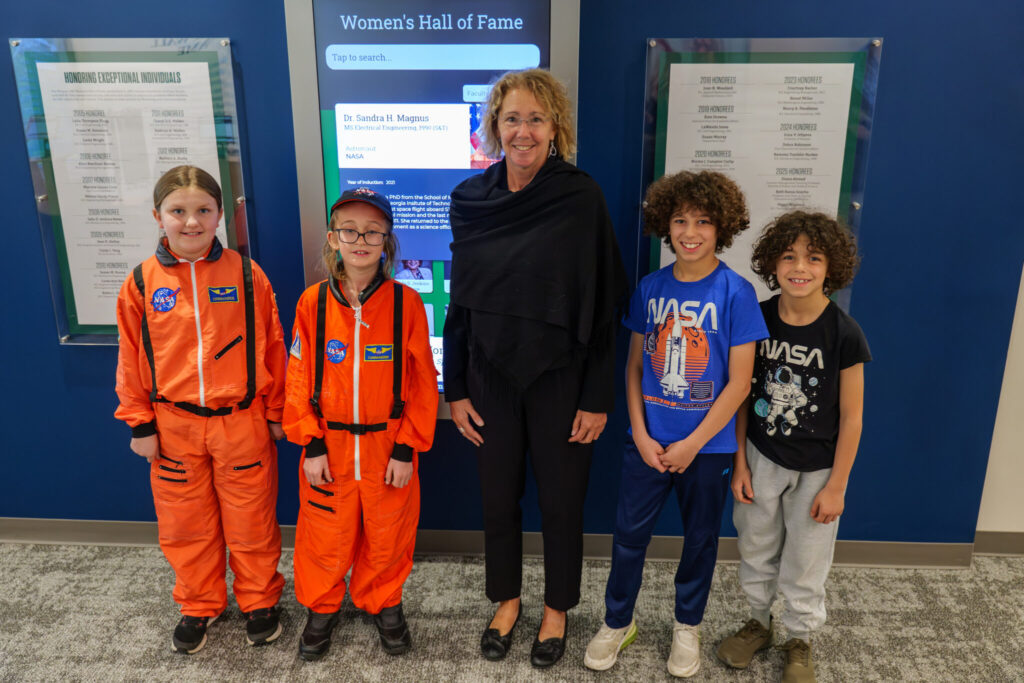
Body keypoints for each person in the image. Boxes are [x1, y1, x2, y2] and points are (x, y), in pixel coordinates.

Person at [444, 68, 627, 668]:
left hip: (562, 374)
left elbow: (604, 306)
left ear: (556, 128)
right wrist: (457, 388)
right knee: (497, 498)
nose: (523, 131)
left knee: (561, 500)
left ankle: (556, 609)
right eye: (512, 118)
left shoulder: (580, 197)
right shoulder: (470, 201)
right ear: (495, 126)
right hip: (490, 372)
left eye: (536, 119)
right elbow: (462, 301)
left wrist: (597, 396)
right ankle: (507, 599)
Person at [584, 170, 767, 677]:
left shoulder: (737, 292)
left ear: (722, 228)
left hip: (704, 451)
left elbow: (739, 385)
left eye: (703, 221)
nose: (690, 231)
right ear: (666, 225)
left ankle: (688, 624)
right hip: (646, 444)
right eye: (680, 220)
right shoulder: (650, 287)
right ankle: (618, 621)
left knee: (701, 540)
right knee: (627, 539)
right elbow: (636, 366)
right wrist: (641, 434)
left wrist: (691, 443)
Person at [114, 165, 287, 654]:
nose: (191, 222)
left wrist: (276, 412)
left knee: (252, 521)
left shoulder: (247, 274)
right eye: (178, 211)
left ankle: (258, 600)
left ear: (220, 217)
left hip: (241, 422)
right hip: (173, 427)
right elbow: (130, 357)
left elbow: (273, 346)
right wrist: (139, 421)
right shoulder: (142, 284)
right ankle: (199, 603)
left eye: (203, 211)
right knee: (185, 524)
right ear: (158, 216)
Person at [283, 187, 438, 661]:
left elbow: (423, 385)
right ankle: (323, 608)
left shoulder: (406, 304)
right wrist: (309, 444)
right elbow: (296, 379)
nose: (361, 240)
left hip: (386, 446)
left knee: (388, 533)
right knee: (323, 535)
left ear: (387, 240)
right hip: (327, 447)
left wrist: (406, 448)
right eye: (349, 230)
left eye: (373, 231)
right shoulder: (312, 304)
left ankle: (384, 602)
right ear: (333, 238)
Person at [716, 211, 870, 683]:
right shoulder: (756, 319)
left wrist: (837, 485)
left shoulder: (844, 333)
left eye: (814, 258)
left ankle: (800, 638)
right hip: (761, 459)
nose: (799, 267)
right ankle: (758, 623)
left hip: (818, 471)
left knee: (806, 561)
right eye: (789, 256)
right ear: (772, 263)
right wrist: (739, 463)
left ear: (831, 268)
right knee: (756, 547)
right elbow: (740, 394)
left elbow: (852, 417)